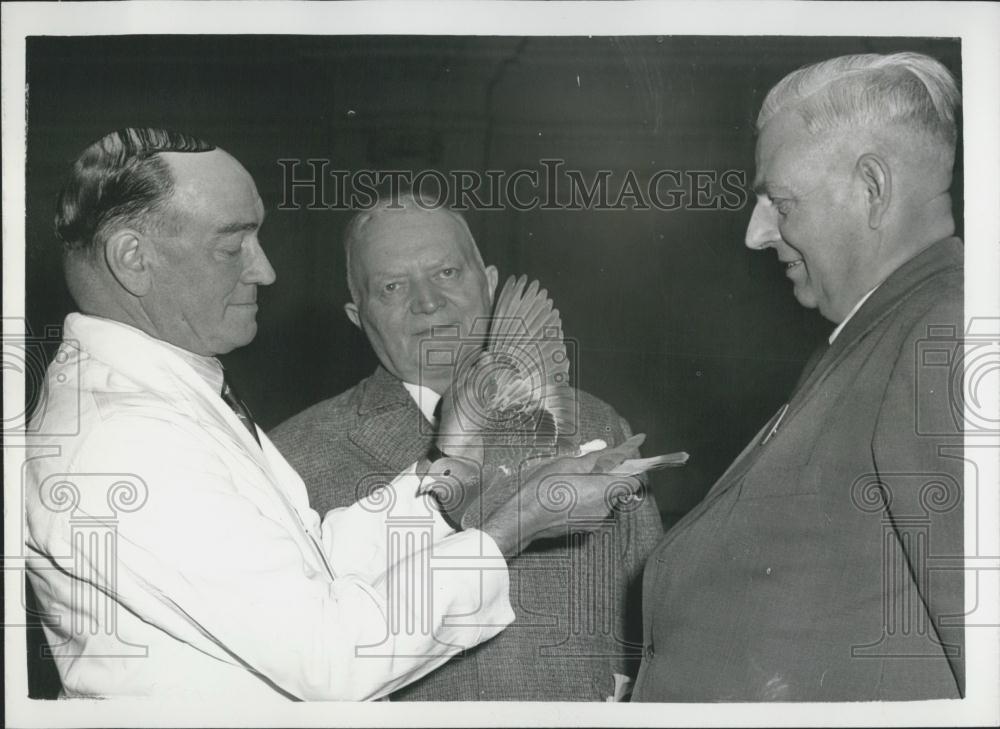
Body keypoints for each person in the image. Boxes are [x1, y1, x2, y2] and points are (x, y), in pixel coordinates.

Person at [23, 128, 641, 701]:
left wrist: (454, 467)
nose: (265, 270)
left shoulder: (166, 399)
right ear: (133, 258)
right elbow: (332, 657)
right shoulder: (124, 437)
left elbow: (313, 564)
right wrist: (513, 527)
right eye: (233, 245)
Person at [632, 52, 965, 702]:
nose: (757, 234)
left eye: (780, 202)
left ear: (872, 189)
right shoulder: (875, 335)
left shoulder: (944, 336)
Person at [270, 192, 664, 701]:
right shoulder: (293, 458)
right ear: (357, 315)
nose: (427, 302)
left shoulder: (596, 422)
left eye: (447, 273)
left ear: (490, 283)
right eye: (392, 286)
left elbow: (657, 624)